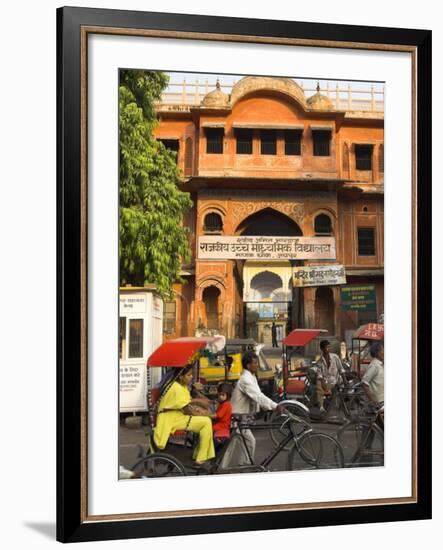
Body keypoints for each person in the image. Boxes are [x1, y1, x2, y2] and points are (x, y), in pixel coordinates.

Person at [221, 351, 283, 466]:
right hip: (237, 419)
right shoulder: (245, 380)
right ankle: (239, 465)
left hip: (241, 419)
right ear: (248, 365)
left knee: (235, 445)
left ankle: (239, 465)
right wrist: (275, 406)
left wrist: (266, 407)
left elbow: (258, 396)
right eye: (255, 363)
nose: (257, 365)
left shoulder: (251, 377)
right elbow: (257, 396)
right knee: (242, 443)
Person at [153, 365, 215, 466]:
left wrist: (200, 409)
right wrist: (204, 414)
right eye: (188, 375)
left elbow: (187, 403)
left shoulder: (182, 386)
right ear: (181, 377)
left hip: (175, 415)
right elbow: (187, 410)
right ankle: (200, 458)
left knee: (205, 420)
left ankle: (199, 454)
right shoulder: (176, 388)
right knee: (206, 422)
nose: (191, 377)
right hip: (170, 419)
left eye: (191, 375)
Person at [315, 340, 344, 414]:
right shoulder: (319, 362)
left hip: (335, 381)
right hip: (325, 382)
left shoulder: (335, 357)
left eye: (329, 347)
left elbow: (341, 369)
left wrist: (345, 380)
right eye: (327, 347)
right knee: (318, 383)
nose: (328, 349)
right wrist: (324, 385)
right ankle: (321, 407)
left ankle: (327, 392)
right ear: (322, 349)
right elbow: (319, 375)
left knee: (322, 387)